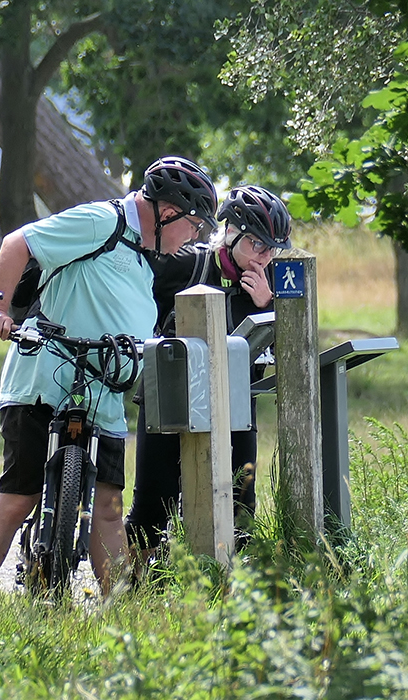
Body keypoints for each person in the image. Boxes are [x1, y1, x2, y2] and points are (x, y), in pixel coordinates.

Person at [0, 156, 219, 591]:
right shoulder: (102, 222)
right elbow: (17, 243)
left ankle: (119, 612)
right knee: (19, 496)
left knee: (108, 504)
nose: (193, 238)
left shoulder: (145, 260)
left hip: (104, 393)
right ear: (167, 211)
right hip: (44, 379)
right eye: (194, 225)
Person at [126, 184, 293, 556]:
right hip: (168, 399)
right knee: (153, 506)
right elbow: (132, 297)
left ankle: (231, 588)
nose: (264, 257)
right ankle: (135, 591)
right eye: (256, 244)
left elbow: (296, 351)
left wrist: (268, 305)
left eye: (272, 249)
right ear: (230, 232)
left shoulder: (278, 282)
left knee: (239, 507)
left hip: (236, 407)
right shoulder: (186, 263)